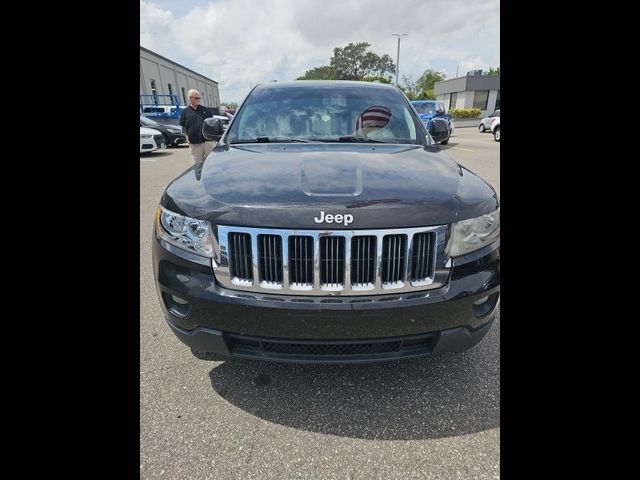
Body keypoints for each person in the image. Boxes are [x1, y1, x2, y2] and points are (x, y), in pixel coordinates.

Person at [179, 89, 214, 163]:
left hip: (207, 141)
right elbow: (183, 126)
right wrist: (186, 137)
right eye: (196, 98)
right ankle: (198, 175)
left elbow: (212, 124)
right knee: (197, 163)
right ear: (190, 98)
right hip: (194, 143)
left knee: (211, 162)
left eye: (199, 98)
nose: (198, 99)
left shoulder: (206, 110)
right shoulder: (185, 112)